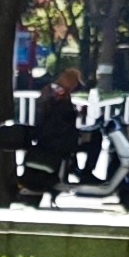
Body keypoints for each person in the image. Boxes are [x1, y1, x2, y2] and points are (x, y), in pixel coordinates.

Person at [22, 60, 86, 205]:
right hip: (55, 137)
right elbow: (61, 114)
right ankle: (80, 174)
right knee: (89, 143)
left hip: (49, 134)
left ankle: (73, 171)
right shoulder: (59, 93)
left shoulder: (53, 90)